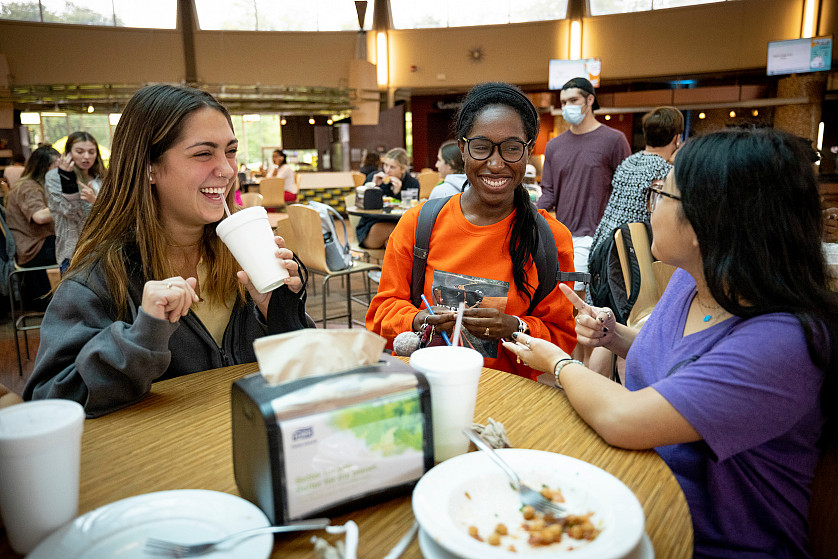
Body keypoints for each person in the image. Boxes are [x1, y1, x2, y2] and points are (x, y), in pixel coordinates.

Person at [504, 127, 837, 558]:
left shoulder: (782, 344)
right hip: (638, 503)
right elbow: (677, 363)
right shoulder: (692, 281)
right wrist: (614, 336)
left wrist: (558, 362)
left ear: (706, 222)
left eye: (662, 194)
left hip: (716, 545)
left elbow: (624, 416)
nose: (649, 208)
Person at [23, 84, 310, 418]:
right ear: (149, 167)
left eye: (230, 151)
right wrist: (143, 336)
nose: (228, 169)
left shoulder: (246, 260)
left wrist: (280, 312)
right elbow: (47, 400)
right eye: (204, 153)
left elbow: (306, 371)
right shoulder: (98, 279)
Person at [366, 82, 576, 379]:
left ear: (528, 152)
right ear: (463, 148)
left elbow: (562, 335)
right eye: (481, 147)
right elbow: (380, 315)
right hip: (430, 389)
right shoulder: (418, 224)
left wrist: (514, 327)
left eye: (512, 149)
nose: (495, 163)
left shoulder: (550, 238)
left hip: (512, 400)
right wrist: (419, 318)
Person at [537, 77, 630, 298]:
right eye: (563, 101)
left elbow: (624, 192)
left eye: (573, 99)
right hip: (563, 235)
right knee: (562, 299)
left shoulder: (614, 140)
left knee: (575, 299)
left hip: (598, 235)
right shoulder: (554, 146)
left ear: (590, 100)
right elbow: (548, 192)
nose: (567, 106)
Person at [586, 106, 684, 303]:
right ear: (677, 138)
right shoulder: (666, 173)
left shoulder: (627, 163)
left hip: (604, 245)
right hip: (633, 255)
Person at [3, 146, 60, 310]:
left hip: (34, 244)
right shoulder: (29, 187)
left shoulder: (30, 184)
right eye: (55, 167)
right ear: (44, 168)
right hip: (33, 248)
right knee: (81, 250)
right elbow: (39, 216)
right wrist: (67, 204)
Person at [45, 131, 105, 274]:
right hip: (73, 251)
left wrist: (96, 201)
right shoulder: (55, 177)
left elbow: (113, 211)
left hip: (103, 249)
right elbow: (69, 212)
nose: (86, 157)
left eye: (91, 152)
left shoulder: (101, 177)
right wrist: (68, 179)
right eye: (80, 151)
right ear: (68, 153)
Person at [356, 148, 420, 249]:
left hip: (398, 223)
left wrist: (397, 193)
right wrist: (373, 187)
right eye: (385, 165)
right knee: (407, 231)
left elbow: (411, 212)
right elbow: (361, 204)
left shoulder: (412, 183)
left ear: (403, 169)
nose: (387, 170)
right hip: (372, 226)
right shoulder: (374, 177)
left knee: (392, 242)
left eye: (392, 167)